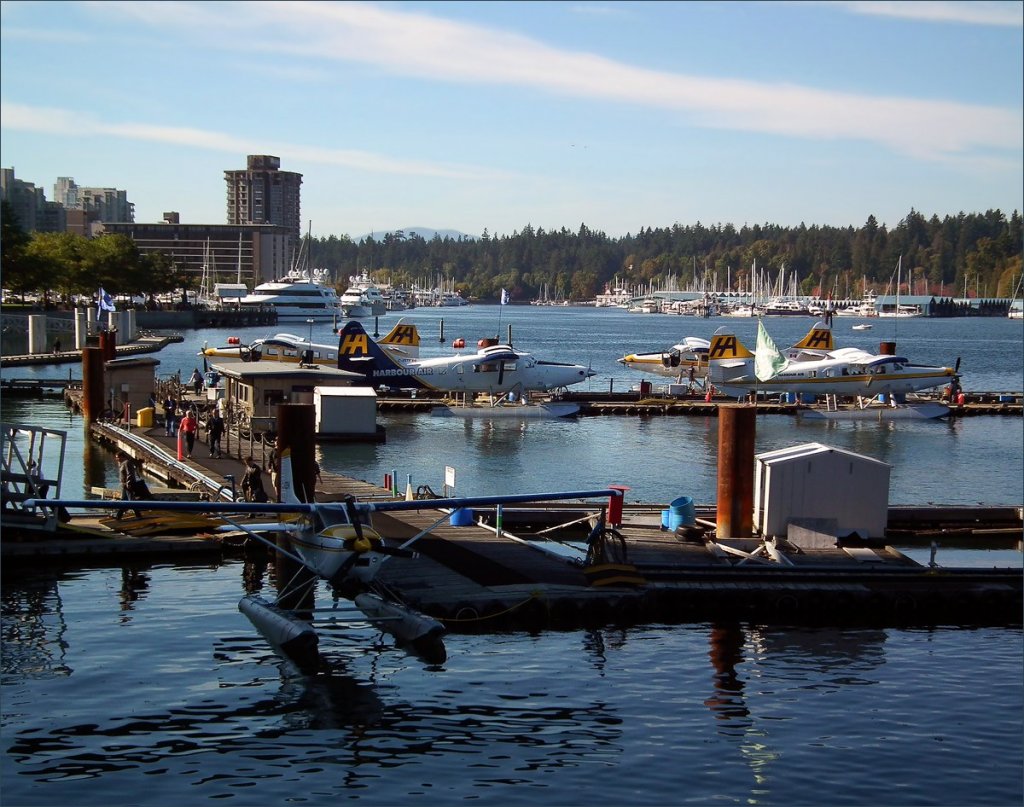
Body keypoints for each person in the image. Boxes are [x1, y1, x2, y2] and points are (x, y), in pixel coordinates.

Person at [116, 452, 144, 519]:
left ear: (122, 457)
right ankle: (118, 516)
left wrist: (128, 483)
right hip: (124, 486)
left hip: (128, 485)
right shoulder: (122, 464)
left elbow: (130, 473)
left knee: (131, 500)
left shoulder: (127, 463)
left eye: (117, 457)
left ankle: (138, 515)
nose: (117, 459)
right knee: (123, 501)